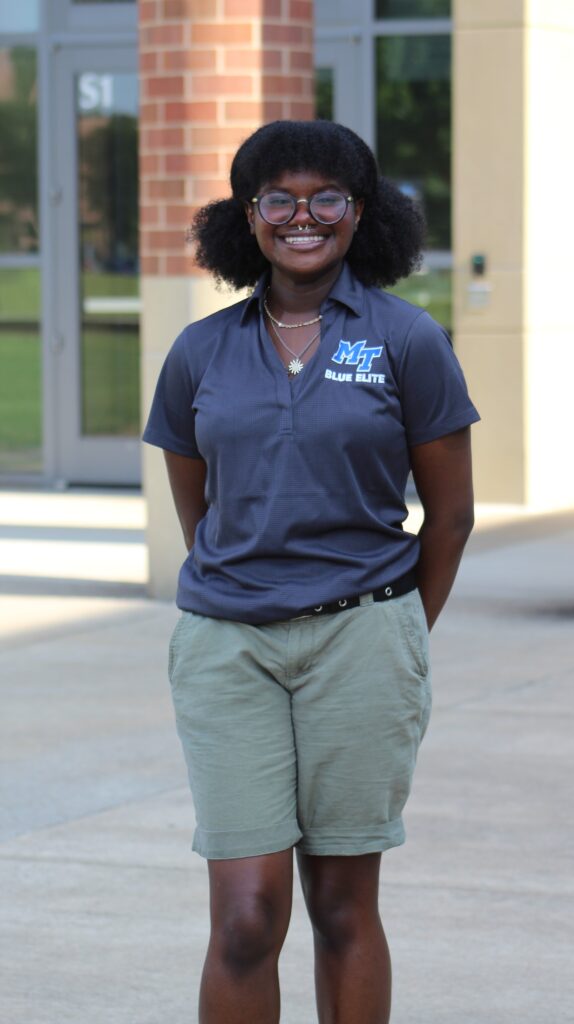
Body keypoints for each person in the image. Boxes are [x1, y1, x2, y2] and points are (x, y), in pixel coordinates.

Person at [143, 119, 479, 1024]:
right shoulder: (199, 352)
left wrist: (399, 628)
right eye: (277, 199)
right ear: (245, 218)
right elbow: (198, 509)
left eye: (325, 197)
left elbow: (449, 515)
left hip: (360, 640)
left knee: (341, 906)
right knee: (248, 918)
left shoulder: (406, 339)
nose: (302, 216)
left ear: (358, 213)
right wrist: (242, 584)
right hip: (228, 649)